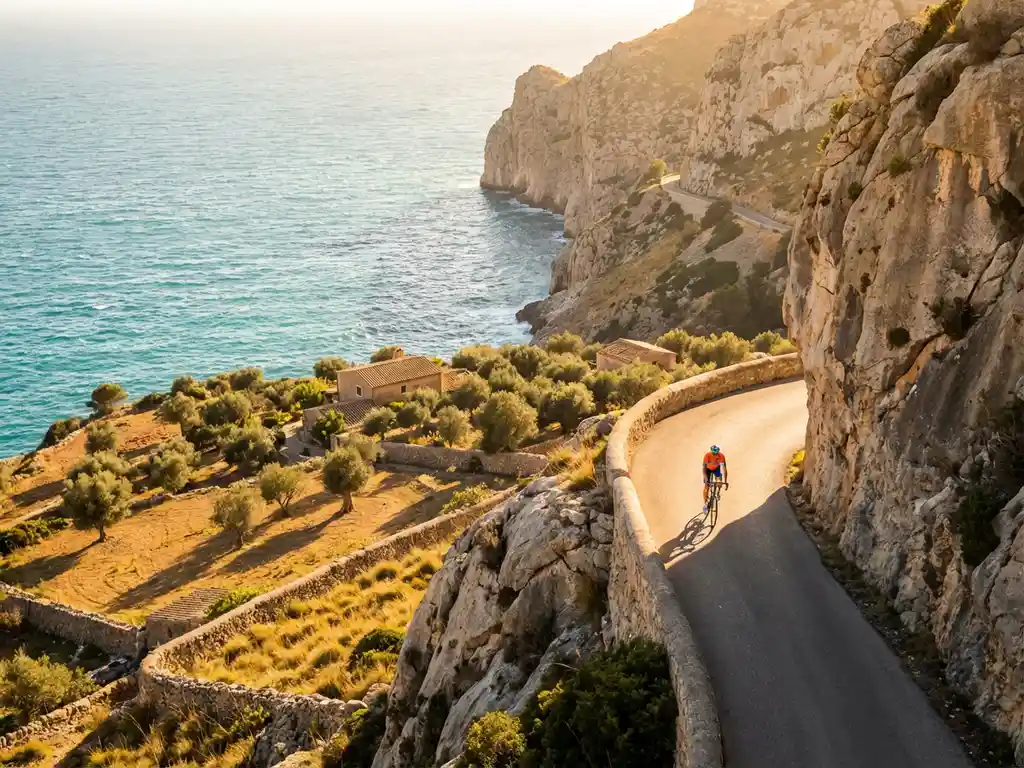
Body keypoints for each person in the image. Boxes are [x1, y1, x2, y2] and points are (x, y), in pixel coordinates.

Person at [702, 445, 728, 513]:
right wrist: (706, 479)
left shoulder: (721, 456)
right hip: (708, 469)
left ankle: (717, 493)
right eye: (714, 453)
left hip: (716, 469)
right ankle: (705, 504)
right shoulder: (707, 455)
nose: (715, 454)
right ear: (711, 451)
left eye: (717, 453)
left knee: (719, 481)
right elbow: (704, 469)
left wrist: (725, 481)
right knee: (706, 487)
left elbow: (724, 469)